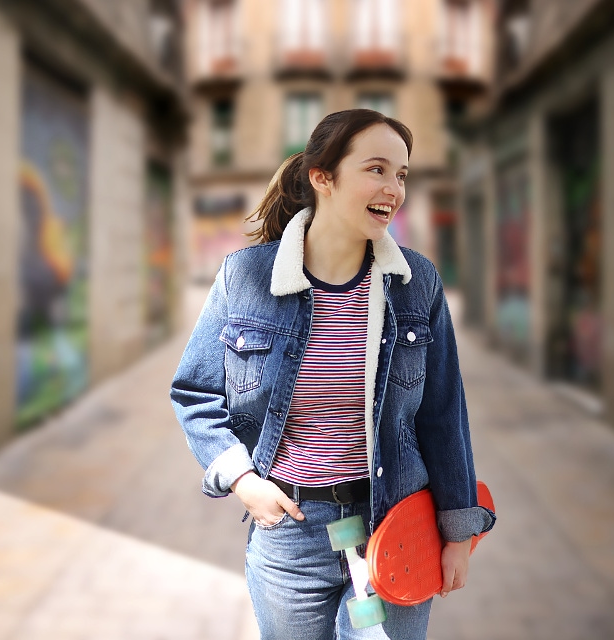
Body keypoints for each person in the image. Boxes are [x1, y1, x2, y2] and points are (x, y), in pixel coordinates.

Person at [171, 109, 496, 640]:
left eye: (401, 174)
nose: (393, 188)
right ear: (323, 177)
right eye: (376, 169)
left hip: (391, 529)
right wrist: (244, 481)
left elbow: (442, 414)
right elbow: (194, 392)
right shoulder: (245, 275)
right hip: (288, 533)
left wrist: (458, 530)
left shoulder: (416, 284)